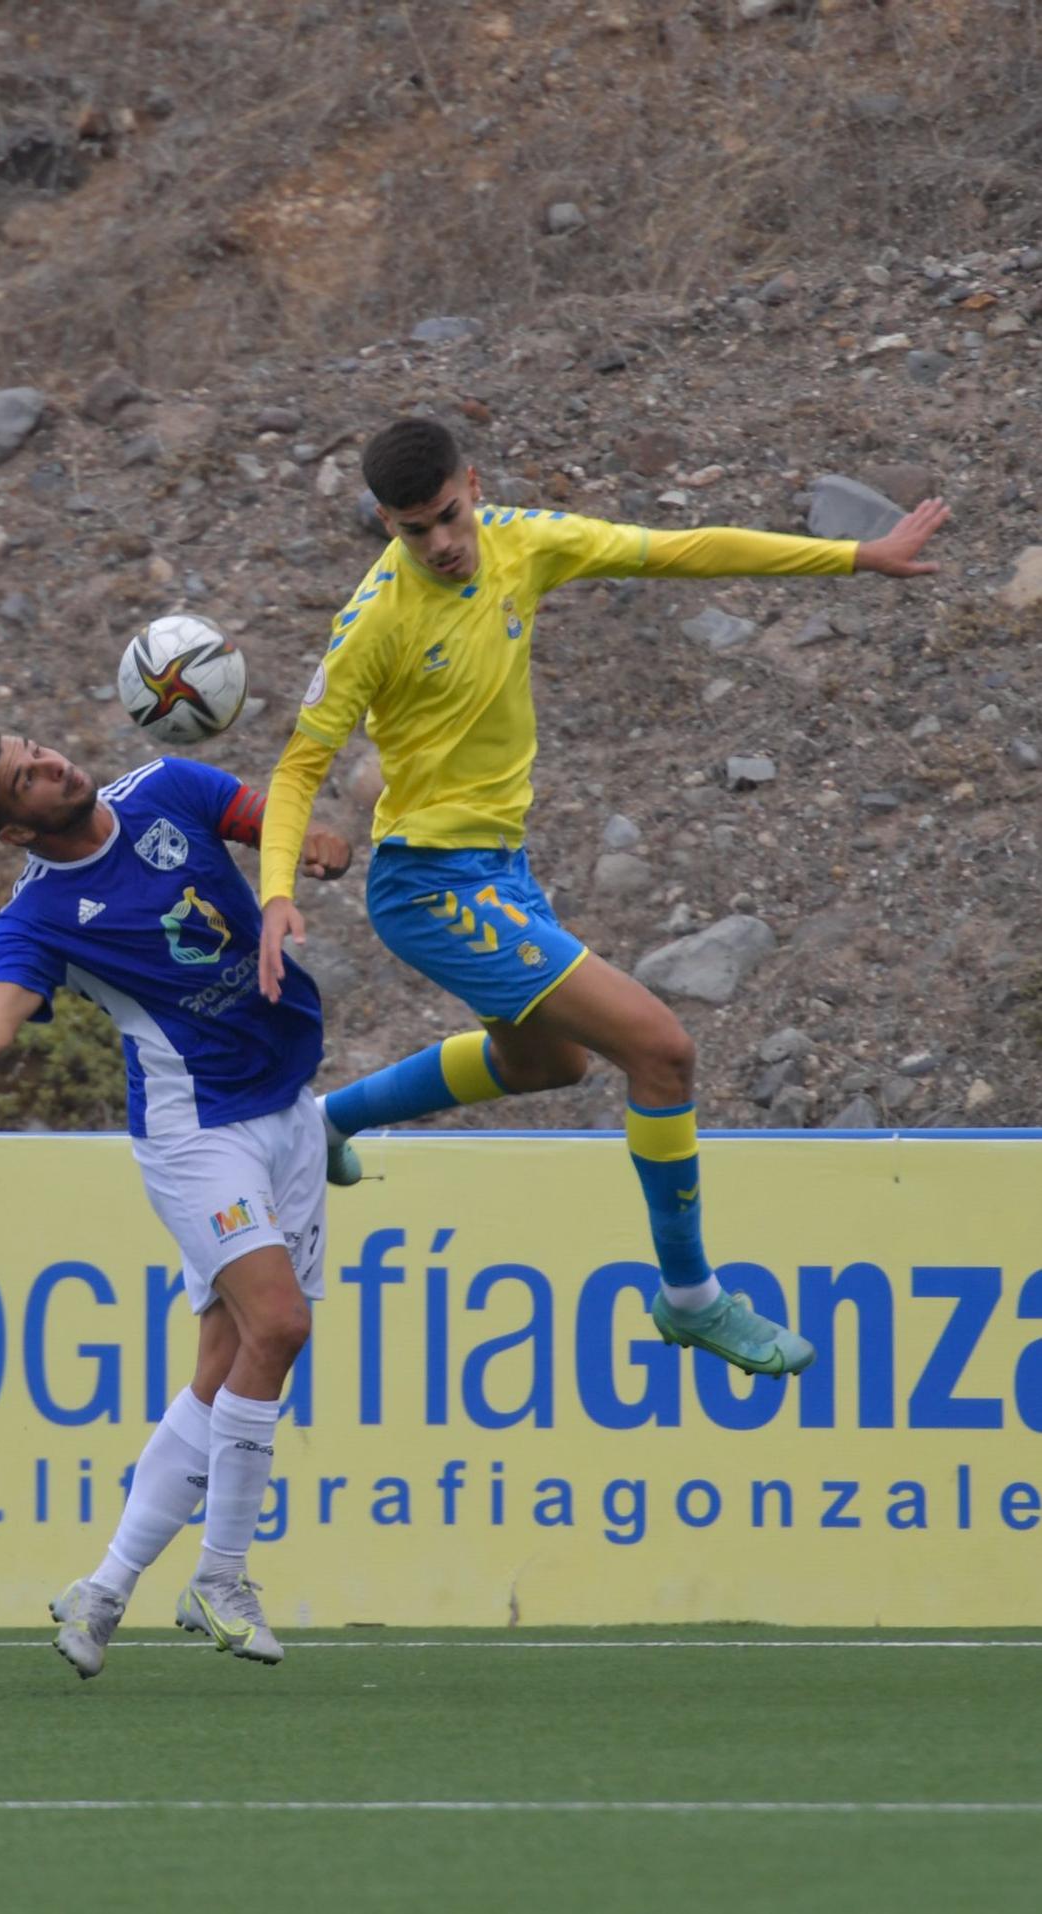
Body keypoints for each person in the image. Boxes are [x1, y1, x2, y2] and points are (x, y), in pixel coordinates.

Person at [258, 416, 950, 1380]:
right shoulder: (375, 622)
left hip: (500, 871)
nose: (441, 544)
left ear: (474, 482)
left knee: (550, 1064)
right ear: (386, 523)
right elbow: (299, 767)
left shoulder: (523, 542)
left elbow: (682, 550)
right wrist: (276, 894)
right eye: (413, 531)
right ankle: (692, 1299)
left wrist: (855, 555)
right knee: (662, 1050)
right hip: (426, 884)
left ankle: (328, 1121)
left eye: (450, 517)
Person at [0, 728, 351, 1678]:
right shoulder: (38, 917)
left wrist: (307, 840)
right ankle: (220, 1579)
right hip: (199, 1134)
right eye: (23, 776)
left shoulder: (168, 787)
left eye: (38, 747)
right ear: (13, 830)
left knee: (225, 1364)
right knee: (279, 1326)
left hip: (290, 1107)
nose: (51, 764)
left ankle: (104, 1590)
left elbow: (264, 812)